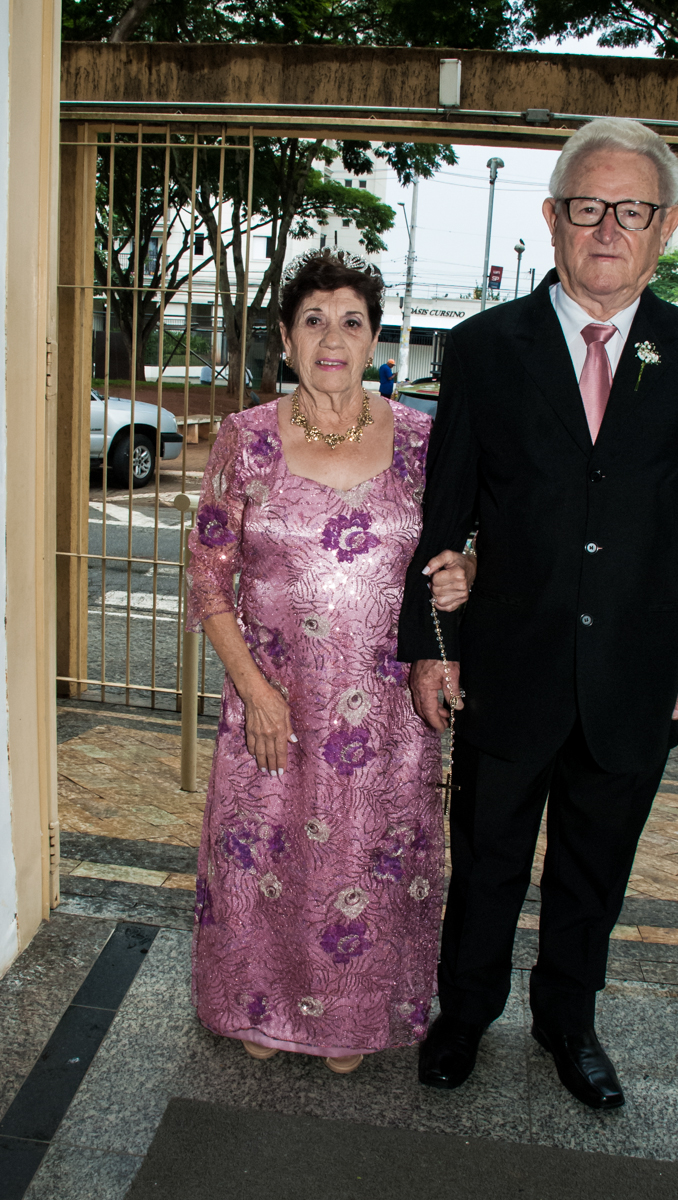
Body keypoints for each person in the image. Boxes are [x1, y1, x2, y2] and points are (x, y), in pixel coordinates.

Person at [398, 117, 678, 1108]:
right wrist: (431, 648)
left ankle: (568, 1021)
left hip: (636, 671)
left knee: (595, 868)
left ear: (664, 226)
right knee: (486, 858)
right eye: (587, 206)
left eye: (630, 210)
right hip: (508, 660)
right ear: (551, 218)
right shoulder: (482, 348)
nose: (606, 229)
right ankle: (464, 1013)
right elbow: (444, 514)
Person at [187, 249, 474, 1074]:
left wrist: (466, 572)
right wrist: (253, 690)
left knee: (361, 860)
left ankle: (351, 1015)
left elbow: (464, 547)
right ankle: (260, 1003)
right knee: (265, 852)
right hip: (272, 697)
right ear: (285, 339)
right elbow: (207, 574)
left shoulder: (423, 441)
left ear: (374, 338)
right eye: (313, 321)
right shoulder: (244, 439)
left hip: (385, 711)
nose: (332, 338)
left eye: (351, 321)